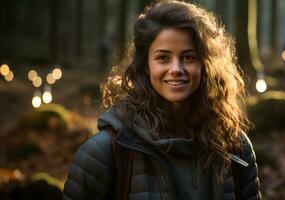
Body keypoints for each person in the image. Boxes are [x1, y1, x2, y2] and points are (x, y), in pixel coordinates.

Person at [62, 1, 261, 199]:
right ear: (146, 65)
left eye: (188, 57)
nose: (176, 69)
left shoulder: (236, 148)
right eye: (163, 58)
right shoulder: (103, 153)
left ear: (205, 65)